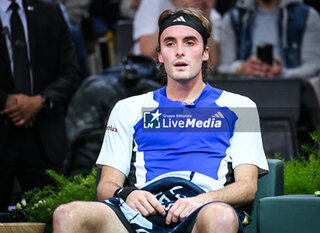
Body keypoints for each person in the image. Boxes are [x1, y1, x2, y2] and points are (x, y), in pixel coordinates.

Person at [53, 8, 268, 233]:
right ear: (159, 55)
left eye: (189, 42)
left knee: (221, 216)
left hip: (202, 209)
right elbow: (106, 186)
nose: (179, 52)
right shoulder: (128, 108)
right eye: (170, 43)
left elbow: (247, 187)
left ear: (205, 53)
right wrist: (128, 194)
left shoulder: (239, 107)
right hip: (141, 212)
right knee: (66, 215)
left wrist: (202, 200)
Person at [0, 0, 81, 211]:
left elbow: (71, 72)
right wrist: (5, 100)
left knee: (49, 217)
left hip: (44, 137)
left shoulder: (50, 10)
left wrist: (40, 101)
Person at [218, 0, 320, 79]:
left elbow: (314, 66)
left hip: (292, 98)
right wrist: (241, 68)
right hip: (244, 94)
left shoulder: (308, 16)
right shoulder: (233, 18)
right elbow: (222, 67)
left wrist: (282, 74)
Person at [132, 0, 221, 67]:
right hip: (150, 73)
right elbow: (148, 52)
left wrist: (203, 19)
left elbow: (211, 62)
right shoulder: (153, 3)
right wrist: (179, 14)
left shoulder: (213, 16)